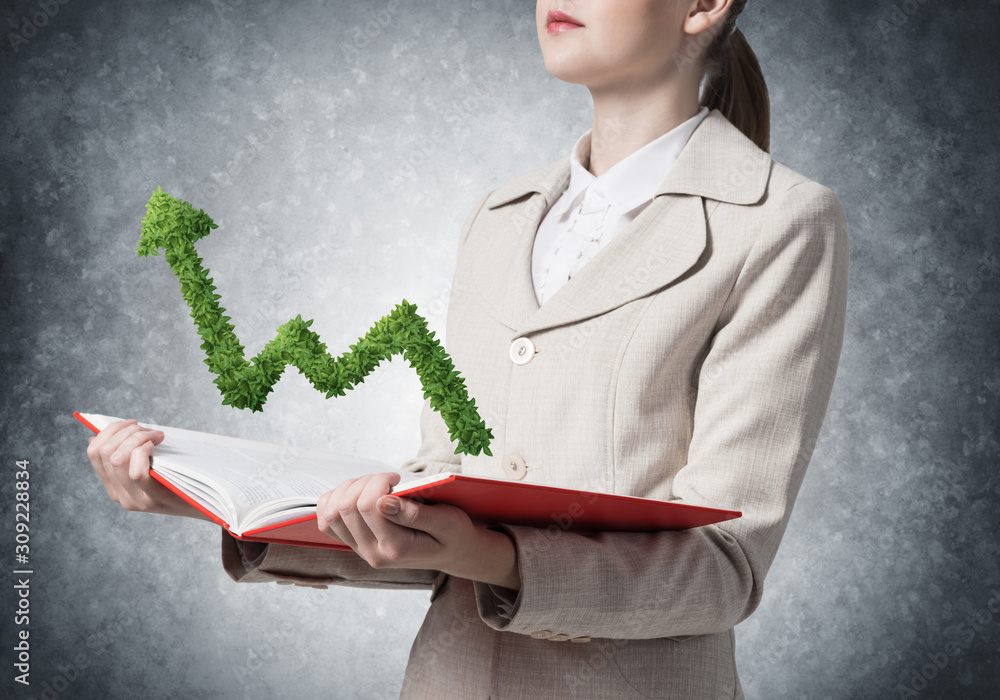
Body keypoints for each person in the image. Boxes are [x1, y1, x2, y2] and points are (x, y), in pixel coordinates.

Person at [87, 0, 849, 697]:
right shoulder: (499, 215)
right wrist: (226, 505)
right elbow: (434, 522)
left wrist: (495, 557)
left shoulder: (780, 223)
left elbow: (724, 569)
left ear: (703, 6)